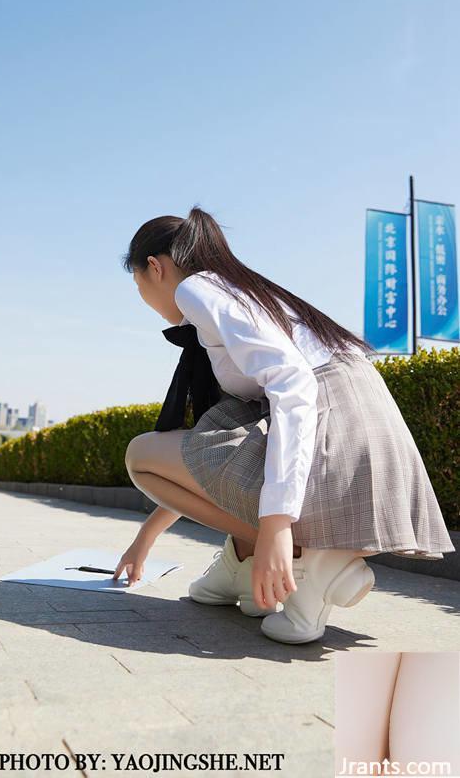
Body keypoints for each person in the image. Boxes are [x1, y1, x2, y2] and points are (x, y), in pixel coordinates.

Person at [112, 205, 455, 644]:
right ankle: (249, 560)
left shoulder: (197, 290)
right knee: (209, 442)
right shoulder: (240, 291)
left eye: (138, 283)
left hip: (332, 424)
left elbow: (292, 384)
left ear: (155, 268)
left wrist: (276, 527)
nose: (143, 296)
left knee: (141, 456)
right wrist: (146, 538)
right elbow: (208, 466)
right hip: (364, 431)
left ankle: (304, 560)